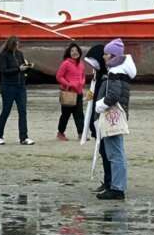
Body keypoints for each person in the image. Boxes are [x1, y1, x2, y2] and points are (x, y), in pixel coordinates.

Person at [94, 38, 137, 200]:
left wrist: (100, 105)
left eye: (106, 54)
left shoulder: (115, 71)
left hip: (113, 116)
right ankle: (116, 187)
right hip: (120, 114)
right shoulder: (122, 70)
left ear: (112, 55)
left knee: (115, 153)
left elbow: (113, 95)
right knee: (117, 152)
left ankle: (117, 188)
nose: (103, 57)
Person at [0, 36, 35, 145]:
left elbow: (22, 68)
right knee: (6, 111)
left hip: (20, 86)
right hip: (8, 87)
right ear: (11, 44)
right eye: (15, 44)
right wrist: (18, 69)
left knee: (23, 111)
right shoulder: (3, 55)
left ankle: (24, 137)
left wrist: (28, 67)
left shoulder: (19, 54)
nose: (17, 46)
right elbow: (3, 70)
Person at [83, 43, 112, 194]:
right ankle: (108, 180)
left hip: (104, 122)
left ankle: (110, 182)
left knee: (108, 153)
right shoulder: (98, 77)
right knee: (103, 152)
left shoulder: (106, 78)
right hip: (97, 120)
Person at [55, 42, 86, 141]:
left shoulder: (81, 64)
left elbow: (83, 76)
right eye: (72, 51)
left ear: (79, 52)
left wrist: (82, 82)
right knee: (65, 115)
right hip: (68, 93)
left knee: (80, 114)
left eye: (76, 50)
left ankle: (81, 134)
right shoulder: (66, 63)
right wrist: (69, 84)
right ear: (69, 53)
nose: (74, 52)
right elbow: (59, 77)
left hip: (79, 93)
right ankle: (60, 133)